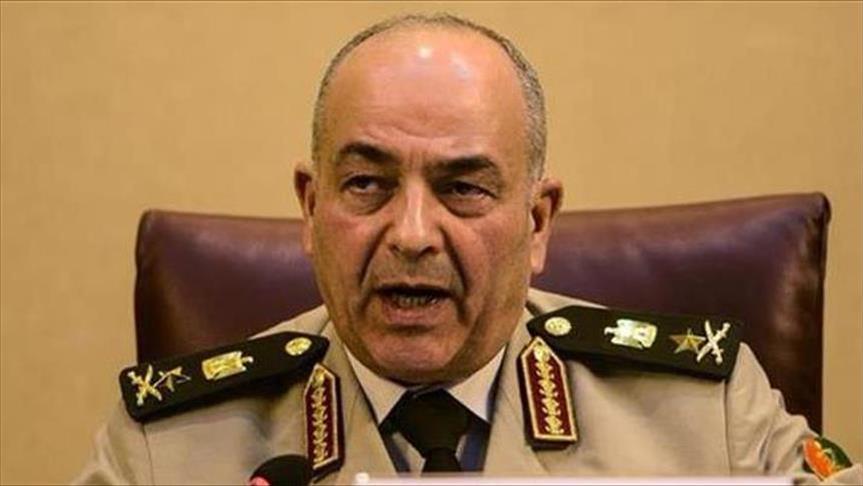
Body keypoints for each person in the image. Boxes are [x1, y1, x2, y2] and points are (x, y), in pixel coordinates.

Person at [74, 13, 860, 485]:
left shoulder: (702, 416)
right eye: (366, 184)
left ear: (537, 222)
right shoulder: (166, 450)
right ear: (311, 210)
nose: (412, 234)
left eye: (463, 188)